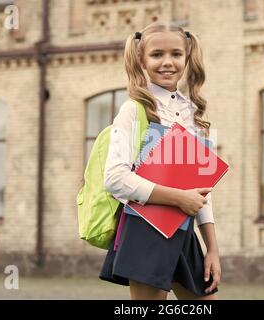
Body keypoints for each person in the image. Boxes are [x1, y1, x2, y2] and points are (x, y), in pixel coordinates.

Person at [99, 22, 221, 300]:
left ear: (187, 57)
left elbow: (201, 191)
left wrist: (212, 248)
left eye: (176, 54)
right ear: (142, 59)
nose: (168, 62)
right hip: (145, 230)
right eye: (157, 55)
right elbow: (115, 179)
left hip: (185, 231)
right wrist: (179, 198)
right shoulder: (133, 110)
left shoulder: (192, 113)